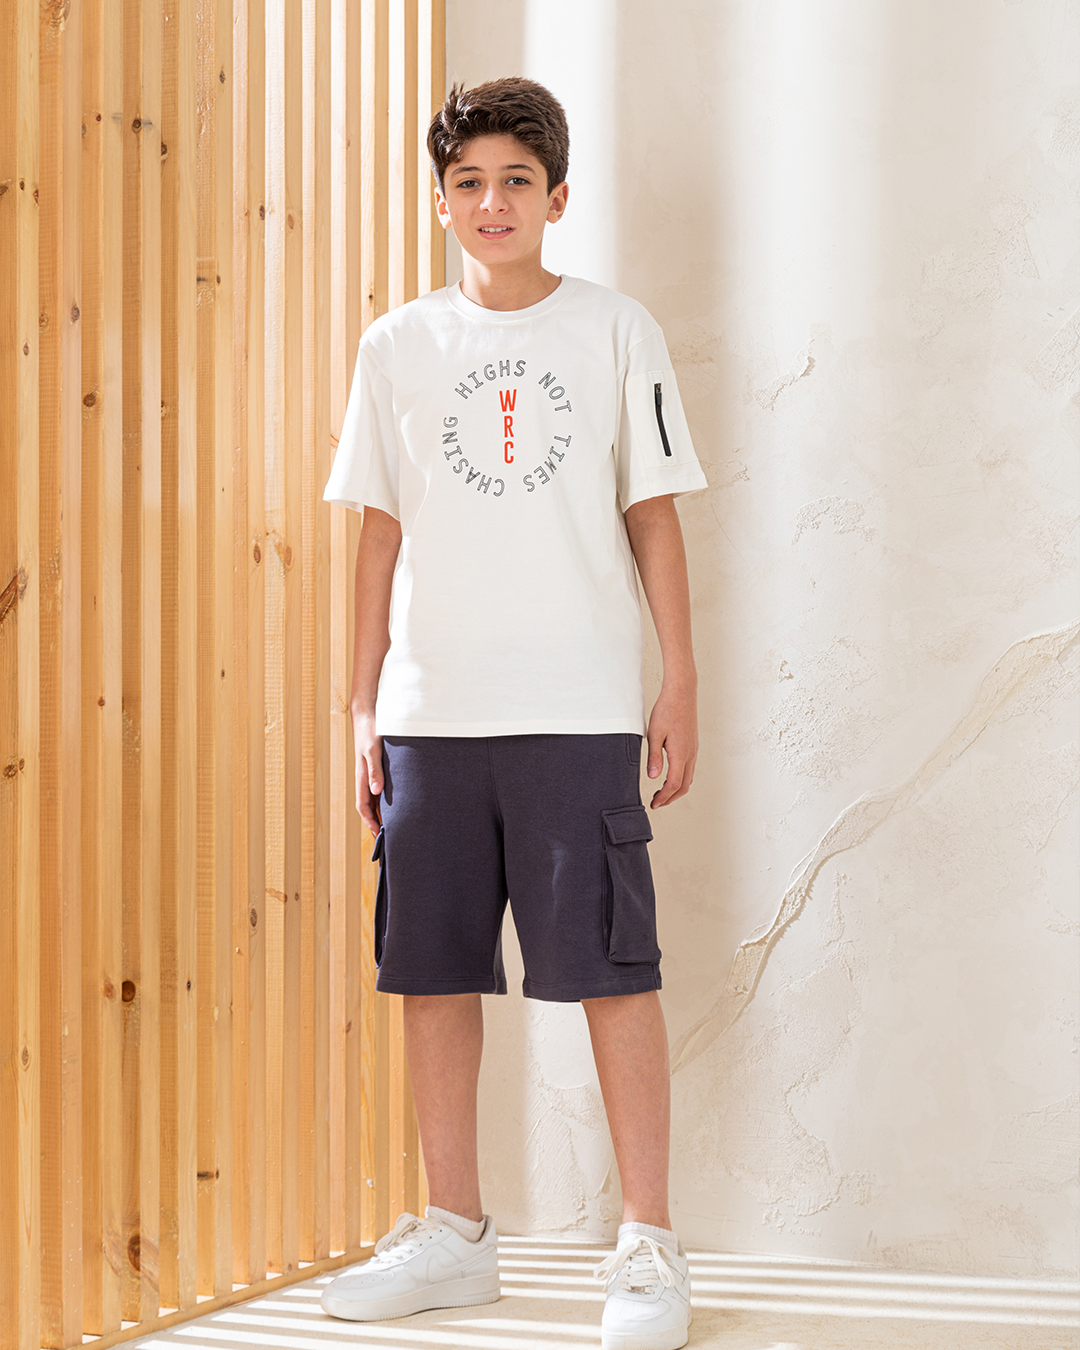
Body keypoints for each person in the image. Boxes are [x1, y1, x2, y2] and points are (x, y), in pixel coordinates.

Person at [318, 77, 706, 1350]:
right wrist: (363, 706)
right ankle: (455, 1234)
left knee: (612, 973)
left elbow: (653, 513)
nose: (494, 202)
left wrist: (679, 676)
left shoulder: (615, 330)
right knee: (431, 972)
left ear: (557, 197)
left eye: (518, 181)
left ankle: (647, 1242)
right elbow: (378, 536)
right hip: (431, 713)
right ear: (442, 201)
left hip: (577, 707)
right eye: (470, 182)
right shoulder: (397, 346)